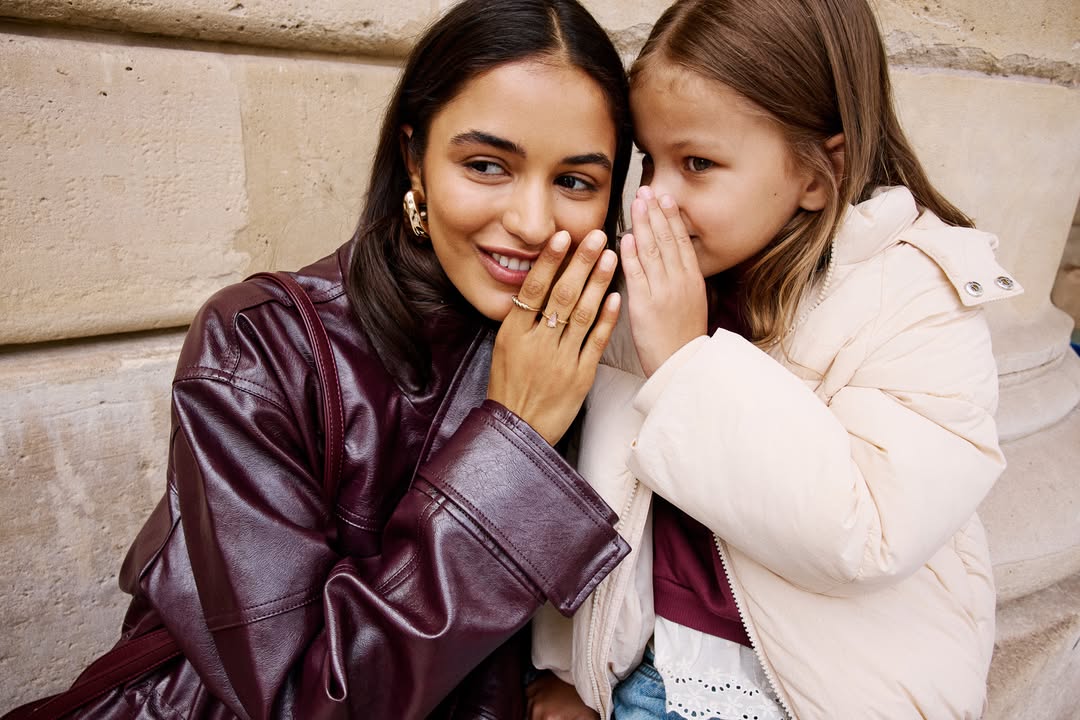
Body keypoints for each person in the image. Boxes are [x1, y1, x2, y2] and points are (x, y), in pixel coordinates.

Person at [5, 1, 637, 718]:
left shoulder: (611, 348)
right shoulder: (259, 347)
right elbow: (299, 702)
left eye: (576, 182)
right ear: (415, 160)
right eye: (487, 165)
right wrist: (512, 438)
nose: (531, 222)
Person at [526, 0, 1023, 718]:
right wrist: (578, 669)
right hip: (650, 674)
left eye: (697, 163)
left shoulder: (917, 297)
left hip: (813, 697)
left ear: (819, 173)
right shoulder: (655, 278)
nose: (653, 200)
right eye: (649, 161)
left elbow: (868, 531)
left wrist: (685, 365)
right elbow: (598, 488)